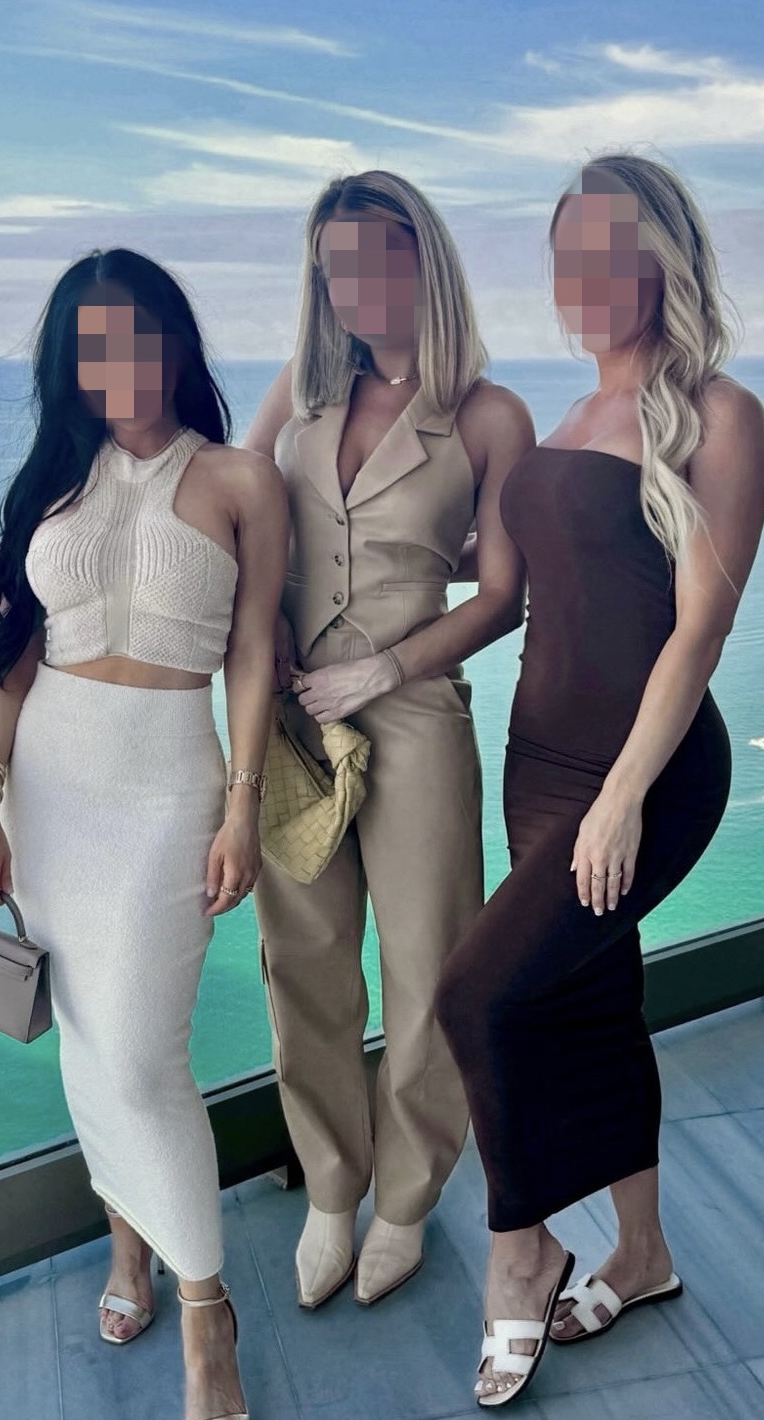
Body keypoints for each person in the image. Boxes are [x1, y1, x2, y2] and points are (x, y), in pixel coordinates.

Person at [434, 154, 764, 1406]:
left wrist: (625, 792)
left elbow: (698, 631)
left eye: (611, 253)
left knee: (474, 997)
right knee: (589, 1002)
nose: (587, 280)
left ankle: (520, 1251)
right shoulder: (559, 420)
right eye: (567, 256)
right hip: (537, 761)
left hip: (648, 770)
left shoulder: (718, 415)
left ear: (662, 259)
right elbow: (507, 584)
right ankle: (644, 1253)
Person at [0, 249, 287, 1420]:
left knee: (145, 1053)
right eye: (93, 346)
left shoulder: (240, 479)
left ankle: (207, 1308)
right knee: (90, 1041)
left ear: (175, 344)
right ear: (70, 364)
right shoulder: (51, 479)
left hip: (164, 790)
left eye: (137, 339)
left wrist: (240, 801)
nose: (119, 366)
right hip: (48, 791)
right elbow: (10, 663)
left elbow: (251, 650)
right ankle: (127, 1242)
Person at [244, 170, 535, 1308]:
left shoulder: (486, 414)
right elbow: (233, 504)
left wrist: (385, 664)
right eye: (334, 268)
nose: (358, 287)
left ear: (425, 260)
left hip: (412, 710)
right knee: (301, 960)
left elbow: (500, 592)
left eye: (378, 258)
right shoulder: (299, 397)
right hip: (292, 717)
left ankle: (406, 1199)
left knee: (427, 968)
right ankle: (330, 1186)